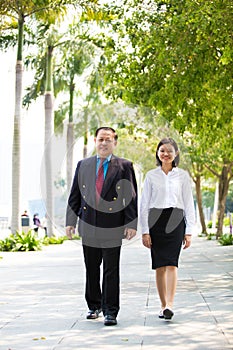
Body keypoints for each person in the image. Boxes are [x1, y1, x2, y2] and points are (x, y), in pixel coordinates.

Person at [66, 127, 138, 326]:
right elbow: (75, 195)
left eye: (108, 140)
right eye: (100, 139)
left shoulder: (124, 166)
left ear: (115, 142)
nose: (103, 143)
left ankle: (110, 311)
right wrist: (70, 222)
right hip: (88, 225)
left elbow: (130, 197)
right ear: (95, 142)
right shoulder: (83, 165)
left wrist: (131, 223)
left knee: (111, 269)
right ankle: (94, 305)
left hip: (113, 226)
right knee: (91, 267)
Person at [140, 137, 195, 320]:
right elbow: (144, 204)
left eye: (170, 151)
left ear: (176, 154)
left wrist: (189, 231)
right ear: (157, 153)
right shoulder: (151, 176)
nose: (166, 154)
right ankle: (162, 305)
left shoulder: (183, 176)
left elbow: (188, 203)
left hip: (176, 220)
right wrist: (145, 230)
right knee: (159, 266)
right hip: (156, 220)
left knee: (172, 263)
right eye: (162, 150)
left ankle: (170, 305)